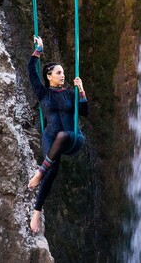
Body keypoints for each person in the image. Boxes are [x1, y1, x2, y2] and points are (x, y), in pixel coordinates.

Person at [27, 36, 88, 233]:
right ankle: (37, 211)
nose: (63, 75)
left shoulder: (71, 93)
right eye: (59, 73)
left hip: (73, 137)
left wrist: (81, 91)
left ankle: (39, 171)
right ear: (49, 76)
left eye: (63, 73)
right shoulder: (43, 93)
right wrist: (38, 51)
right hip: (50, 137)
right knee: (52, 172)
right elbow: (31, 72)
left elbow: (85, 112)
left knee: (62, 136)